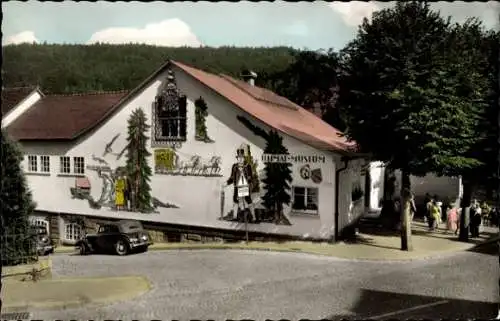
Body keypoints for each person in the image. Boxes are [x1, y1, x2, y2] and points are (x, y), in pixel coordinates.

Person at [225, 146, 257, 223]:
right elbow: (232, 177)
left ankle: (254, 217)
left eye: (242, 157)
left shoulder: (248, 166)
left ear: (244, 158)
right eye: (239, 158)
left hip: (245, 186)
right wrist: (226, 183)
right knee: (235, 200)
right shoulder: (234, 166)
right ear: (237, 158)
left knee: (248, 200)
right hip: (237, 186)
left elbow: (250, 177)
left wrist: (248, 183)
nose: (240, 159)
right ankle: (235, 217)